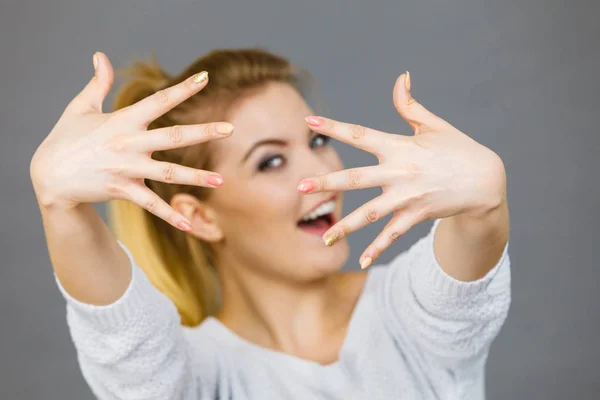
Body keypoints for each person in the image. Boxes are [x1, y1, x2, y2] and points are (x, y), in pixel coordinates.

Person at [29, 48, 511, 399]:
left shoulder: (409, 314)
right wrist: (60, 204)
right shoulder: (194, 377)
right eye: (271, 162)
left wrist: (483, 200)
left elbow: (466, 261)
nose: (324, 176)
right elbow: (124, 341)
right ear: (199, 217)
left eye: (317, 143)